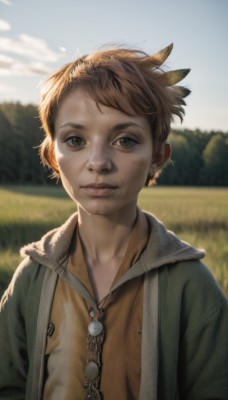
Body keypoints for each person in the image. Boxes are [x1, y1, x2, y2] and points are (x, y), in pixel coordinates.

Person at [0, 43, 227, 400]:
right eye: (75, 140)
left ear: (158, 155)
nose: (98, 161)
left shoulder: (191, 286)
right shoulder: (31, 278)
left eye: (125, 140)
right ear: (52, 156)